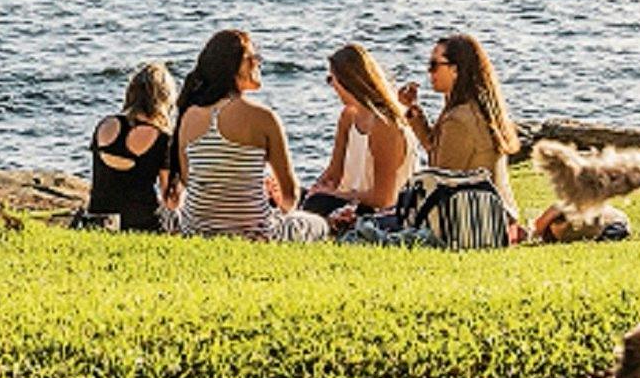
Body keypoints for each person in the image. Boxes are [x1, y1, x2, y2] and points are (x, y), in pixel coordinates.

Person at [171, 30, 331, 242]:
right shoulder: (263, 118)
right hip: (255, 232)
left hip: (197, 229)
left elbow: (189, 180)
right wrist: (276, 203)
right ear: (235, 66)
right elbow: (290, 196)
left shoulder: (189, 116)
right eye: (253, 57)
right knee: (318, 224)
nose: (258, 62)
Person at [399, 33, 522, 223]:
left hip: (473, 221)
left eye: (434, 65)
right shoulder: (477, 108)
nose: (429, 72)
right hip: (493, 215)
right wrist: (414, 112)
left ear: (455, 70)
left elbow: (440, 177)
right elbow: (436, 150)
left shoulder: (458, 120)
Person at [302, 43, 421, 225]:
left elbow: (384, 198)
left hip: (383, 212)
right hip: (351, 201)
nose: (332, 86)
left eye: (331, 79)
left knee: (316, 203)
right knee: (300, 196)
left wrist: (334, 195)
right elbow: (333, 174)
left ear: (347, 81)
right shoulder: (348, 116)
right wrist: (317, 188)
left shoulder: (384, 125)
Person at [82, 62, 182, 231]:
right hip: (143, 223)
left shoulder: (105, 125)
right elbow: (171, 203)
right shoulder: (164, 139)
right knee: (177, 219)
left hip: (98, 221)